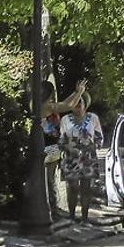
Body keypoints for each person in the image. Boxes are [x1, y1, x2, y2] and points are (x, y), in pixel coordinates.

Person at [42, 79, 87, 216]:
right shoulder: (47, 106)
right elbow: (68, 105)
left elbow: (65, 103)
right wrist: (79, 92)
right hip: (47, 146)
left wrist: (76, 92)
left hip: (51, 145)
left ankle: (53, 207)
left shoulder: (46, 105)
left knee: (51, 178)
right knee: (49, 179)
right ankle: (52, 209)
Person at [59, 92, 103, 223]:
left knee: (86, 187)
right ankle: (71, 216)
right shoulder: (65, 120)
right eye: (75, 104)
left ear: (85, 105)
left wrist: (94, 145)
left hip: (88, 157)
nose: (77, 107)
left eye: (80, 104)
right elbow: (61, 139)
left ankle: (84, 217)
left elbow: (99, 137)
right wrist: (69, 148)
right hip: (71, 158)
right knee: (72, 186)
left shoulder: (93, 118)